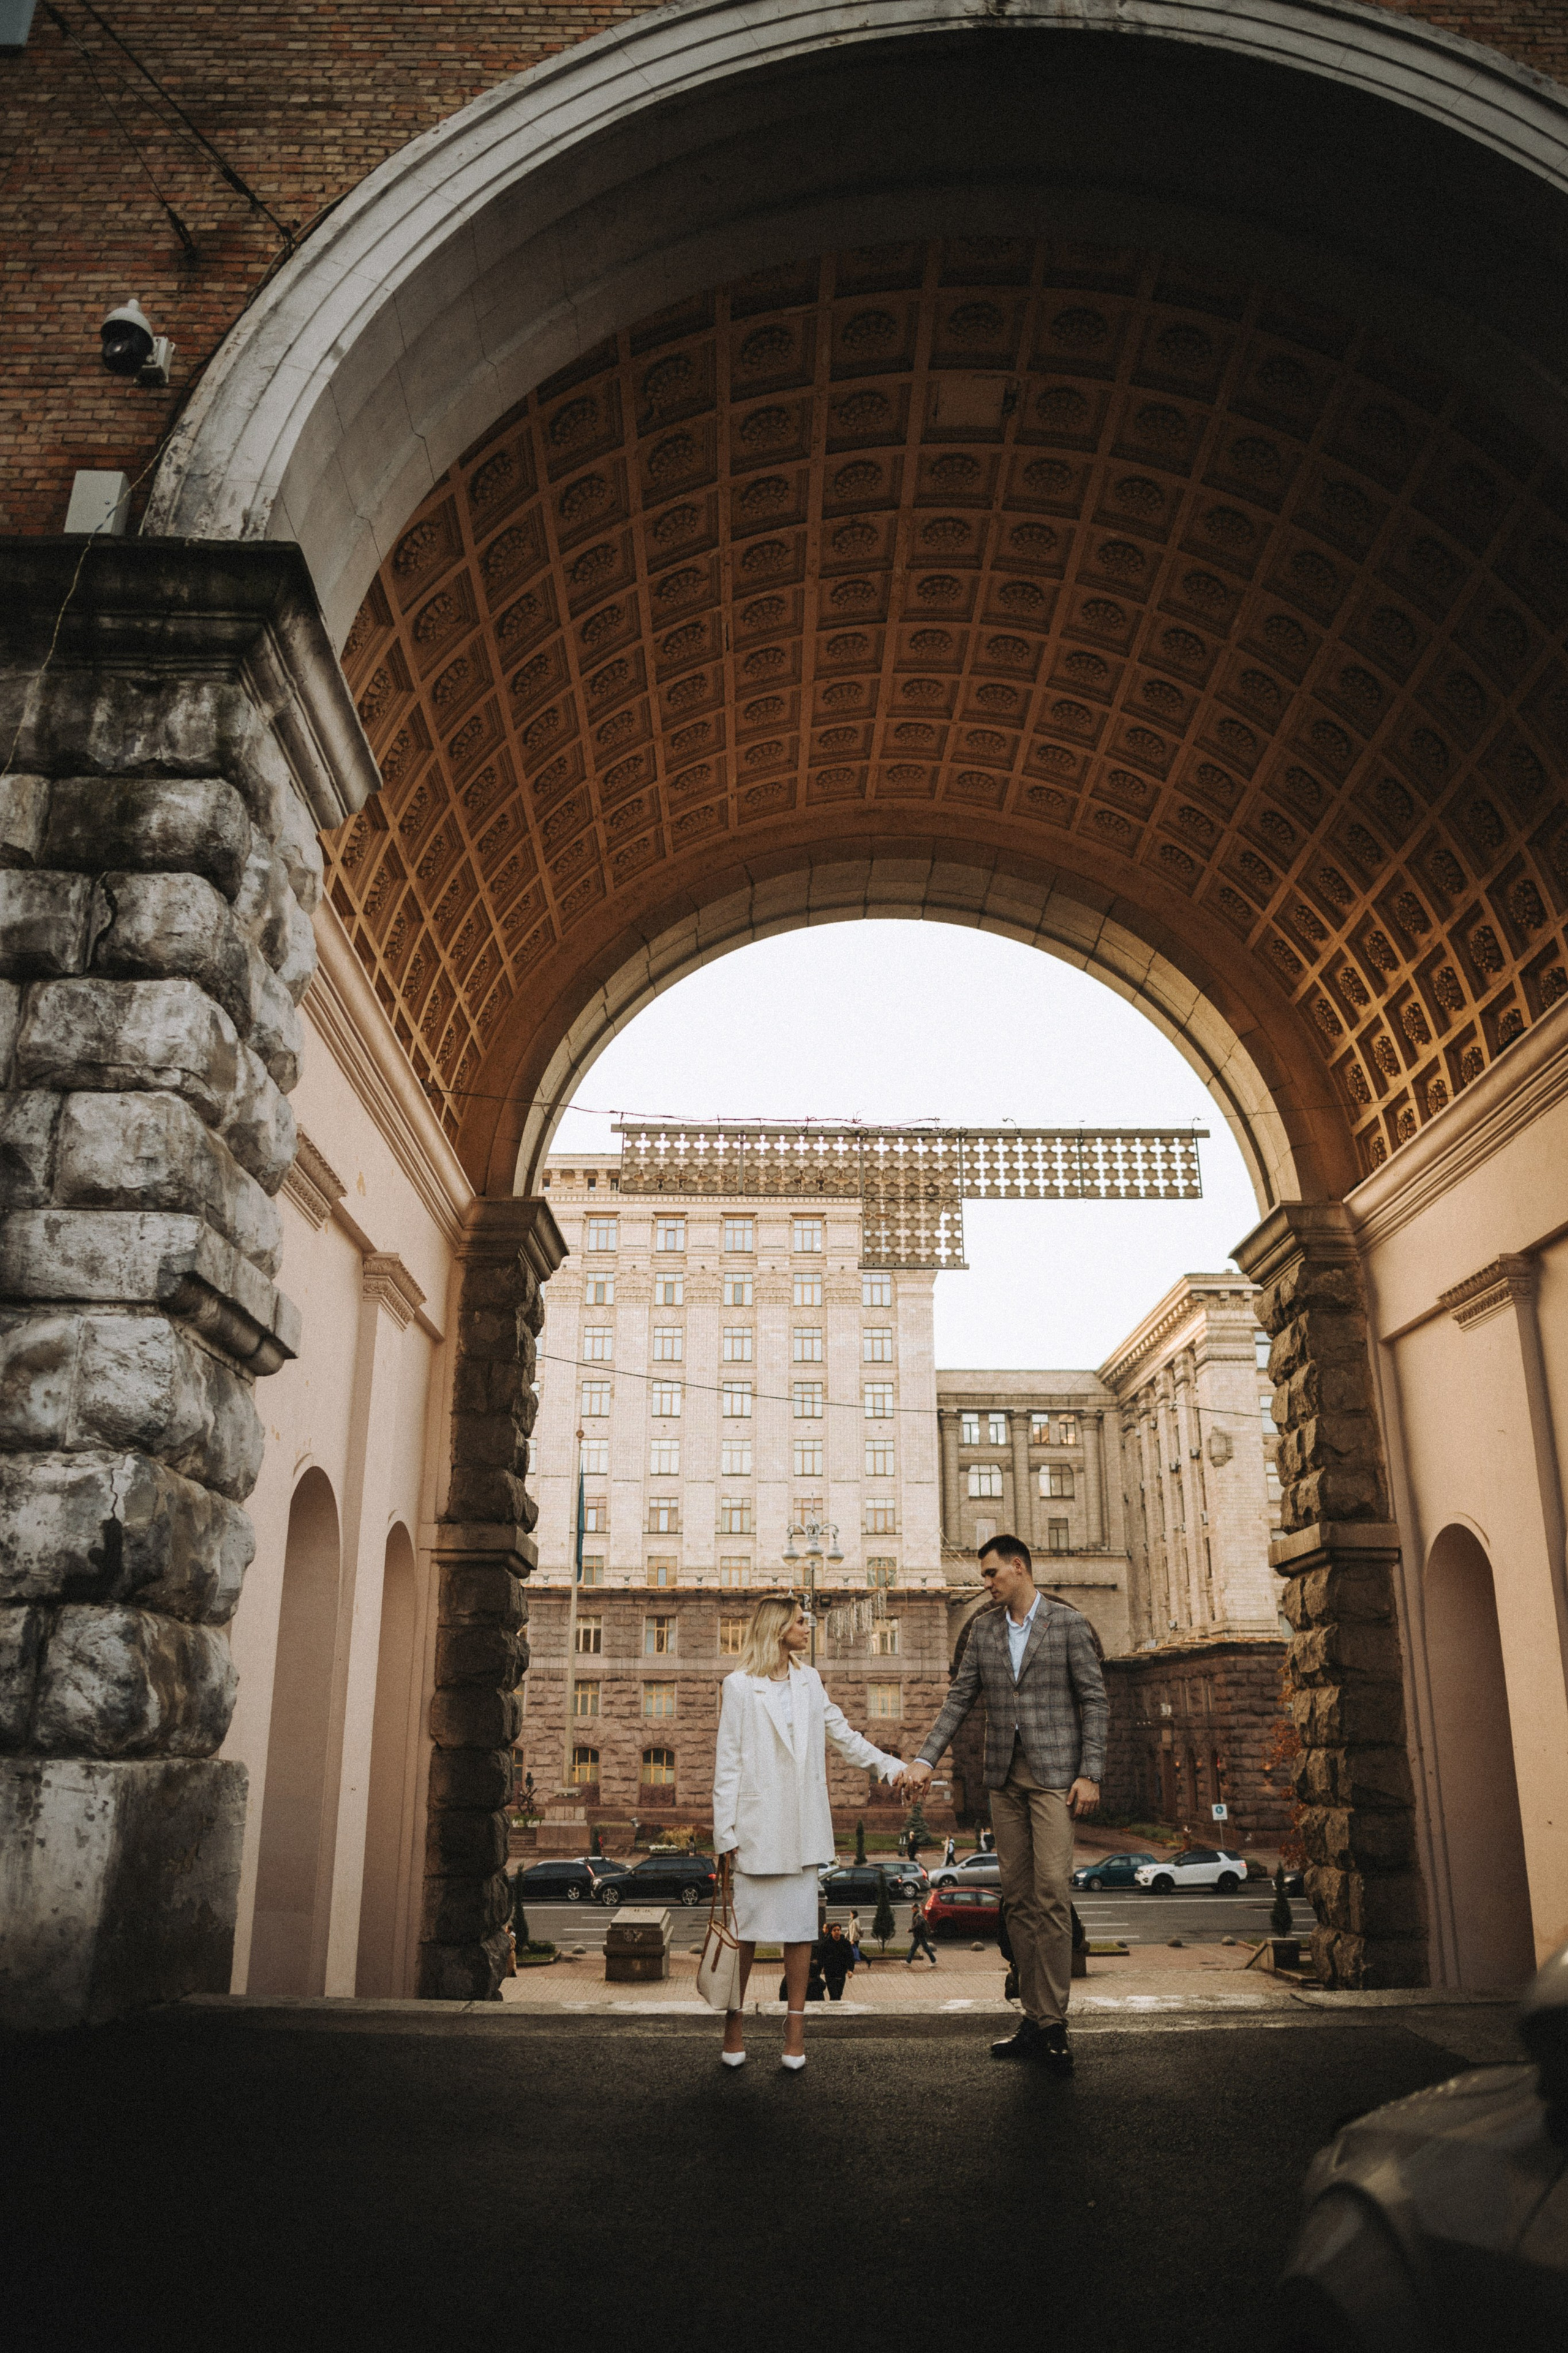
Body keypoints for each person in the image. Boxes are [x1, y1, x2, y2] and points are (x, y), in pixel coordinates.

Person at [903, 1535, 1107, 2073]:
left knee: (1051, 1895)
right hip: (1003, 1778)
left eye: (992, 1573)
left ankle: (1055, 2021)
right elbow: (959, 1698)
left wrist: (1091, 1772)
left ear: (1019, 1567)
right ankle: (1033, 2016)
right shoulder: (985, 1630)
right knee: (1016, 1899)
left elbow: (1093, 1697)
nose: (986, 1583)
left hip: (1055, 1778)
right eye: (984, 1575)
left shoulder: (1066, 1623)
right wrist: (926, 1760)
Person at [713, 1596, 905, 2071]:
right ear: (779, 1628)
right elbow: (728, 1763)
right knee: (747, 1936)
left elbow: (845, 1738)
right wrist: (724, 1833)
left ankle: (794, 2026)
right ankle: (733, 2024)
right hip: (755, 1829)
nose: (808, 1626)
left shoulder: (810, 1679)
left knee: (800, 1933)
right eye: (801, 1621)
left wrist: (894, 1769)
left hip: (801, 1829)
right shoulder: (738, 1686)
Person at [817, 1921, 855, 2001]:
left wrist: (850, 1970)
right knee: (834, 1994)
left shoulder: (845, 1943)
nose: (837, 1932)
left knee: (839, 1994)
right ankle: (834, 2011)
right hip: (830, 1974)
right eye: (835, 1930)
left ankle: (836, 2010)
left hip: (841, 1973)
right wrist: (818, 1972)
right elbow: (821, 1958)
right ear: (831, 1932)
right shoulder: (826, 1944)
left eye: (838, 1930)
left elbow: (850, 1957)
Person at [906, 1894, 938, 1968]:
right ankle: (908, 1962)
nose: (912, 1910)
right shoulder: (916, 1915)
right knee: (913, 1948)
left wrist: (910, 1930)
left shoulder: (918, 1916)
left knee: (926, 1948)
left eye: (913, 1908)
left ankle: (934, 1961)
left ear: (916, 1909)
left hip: (920, 1935)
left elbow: (918, 1925)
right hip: (918, 1935)